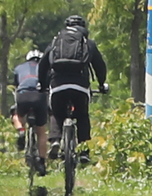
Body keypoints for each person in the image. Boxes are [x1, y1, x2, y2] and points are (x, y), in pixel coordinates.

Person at [38, 15, 107, 164]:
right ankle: (83, 151)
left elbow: (43, 64)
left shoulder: (56, 42)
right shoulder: (88, 43)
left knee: (56, 113)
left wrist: (42, 84)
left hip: (58, 86)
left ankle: (55, 140)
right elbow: (100, 66)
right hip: (80, 86)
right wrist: (102, 84)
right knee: (82, 116)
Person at [11, 50, 48, 176]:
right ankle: (42, 163)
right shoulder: (45, 67)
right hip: (39, 96)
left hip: (23, 96)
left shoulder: (18, 68)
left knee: (17, 115)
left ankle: (21, 130)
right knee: (41, 130)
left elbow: (17, 85)